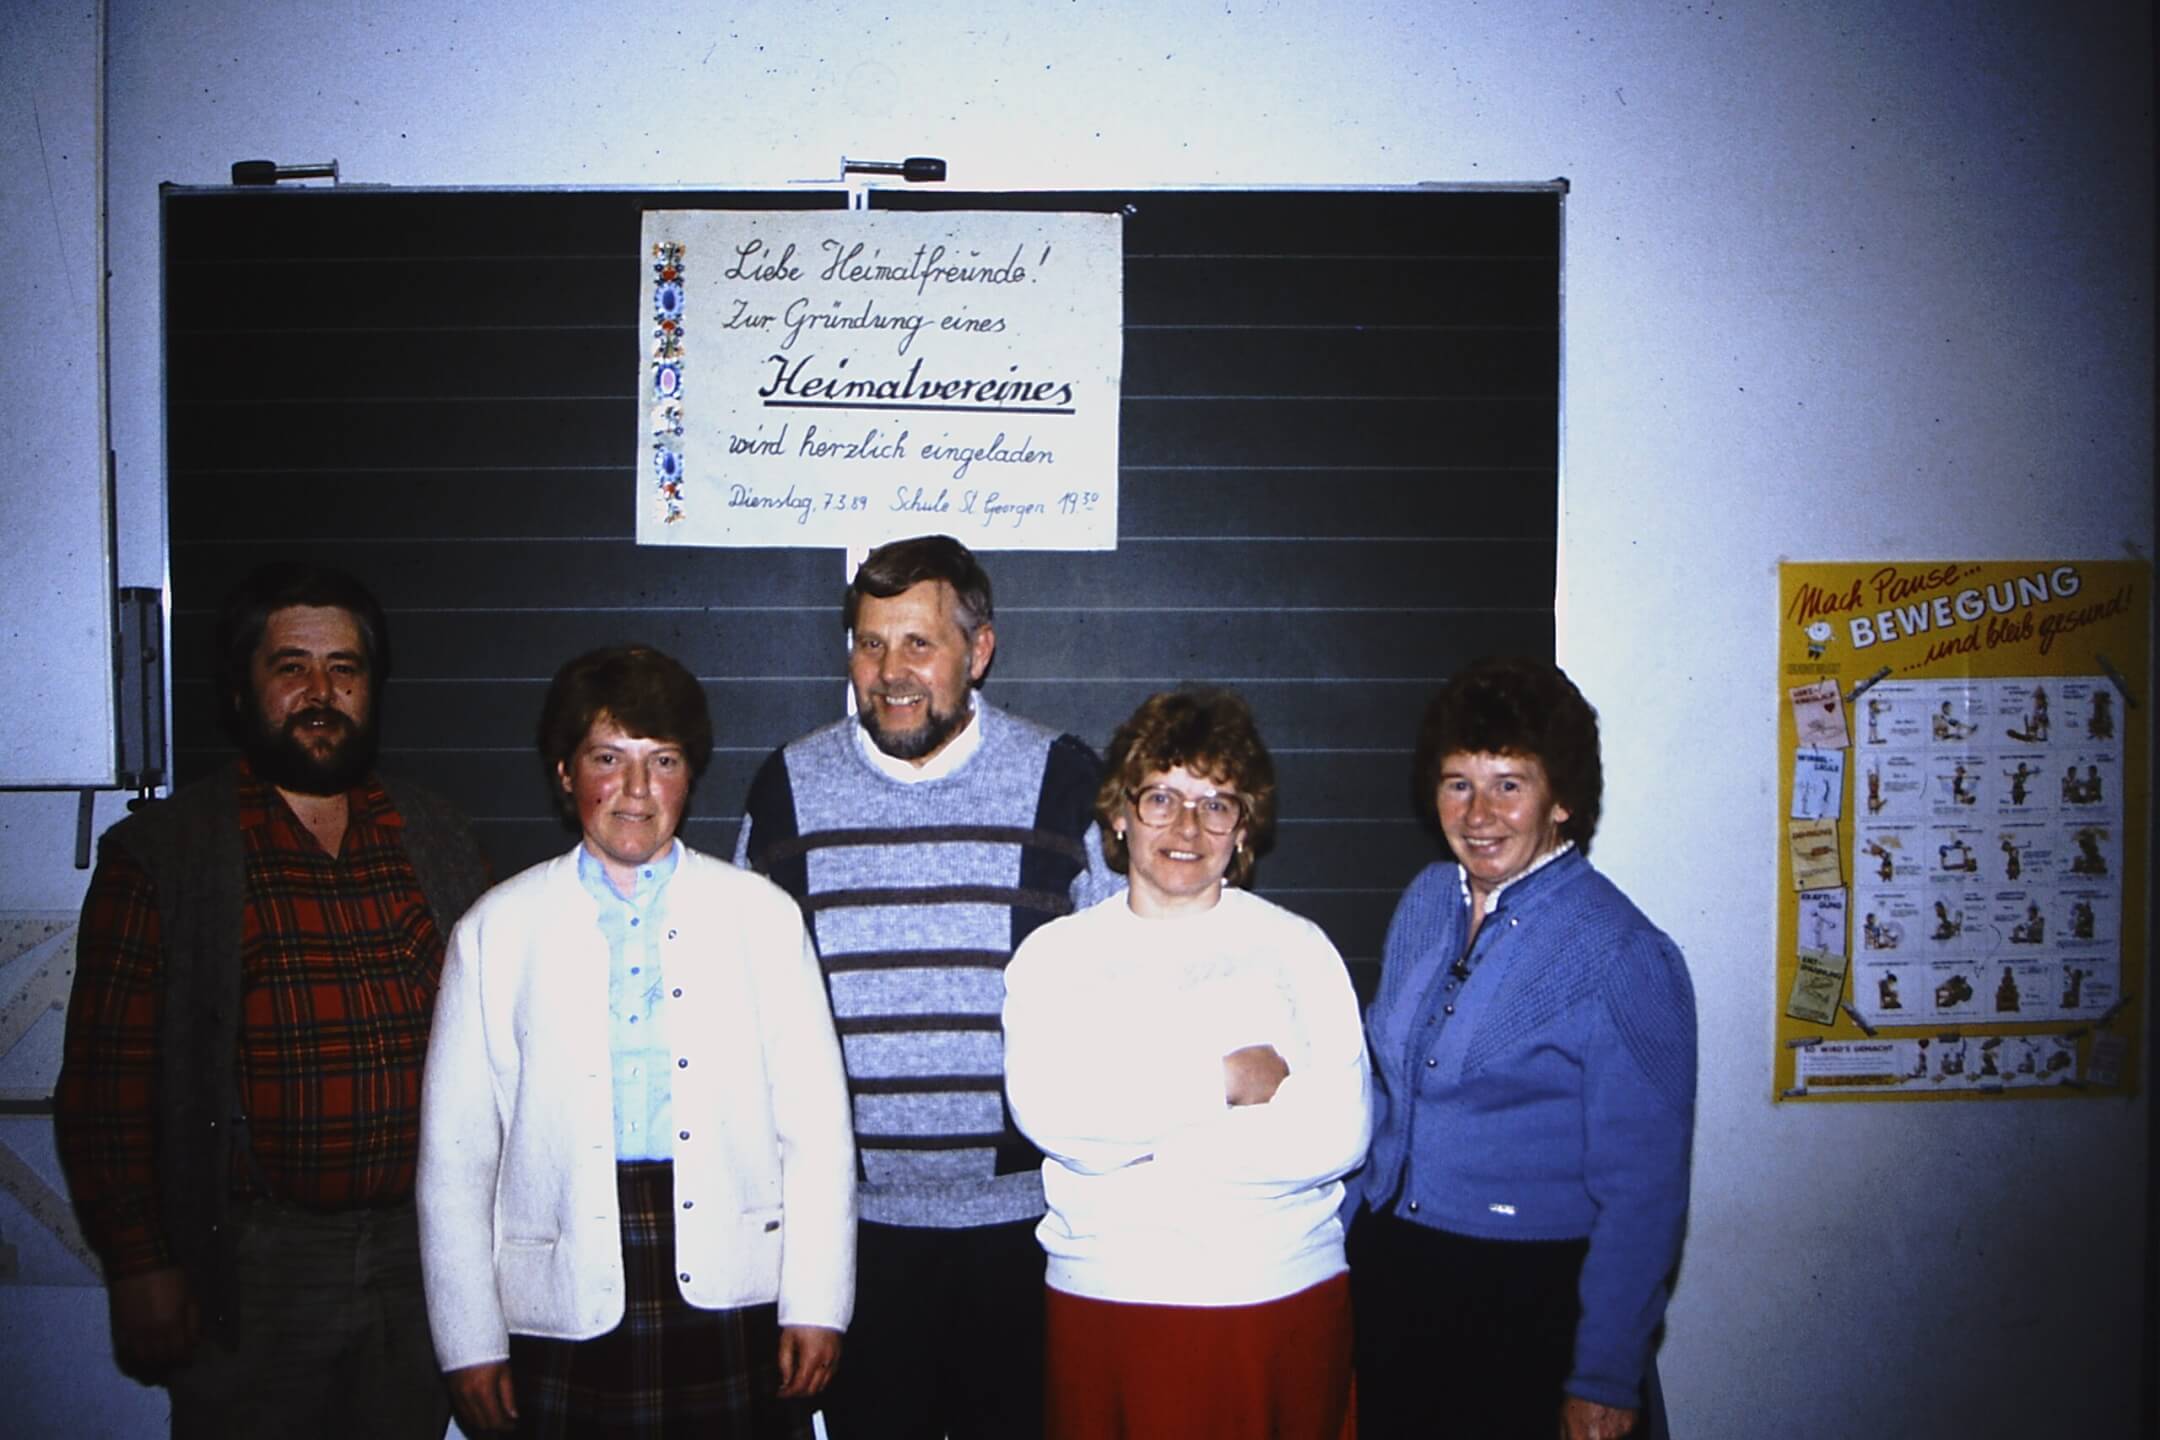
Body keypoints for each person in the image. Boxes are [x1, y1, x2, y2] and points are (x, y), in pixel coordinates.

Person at [55, 562, 492, 1437]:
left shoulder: (437, 836)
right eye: (291, 667)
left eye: (345, 669)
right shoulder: (165, 854)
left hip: (420, 1256)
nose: (321, 694)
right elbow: (107, 1087)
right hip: (257, 1263)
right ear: (240, 690)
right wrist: (139, 1264)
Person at [735, 533, 1121, 1440]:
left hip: (1031, 1235)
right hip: (852, 1238)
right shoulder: (787, 789)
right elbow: (742, 1022)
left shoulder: (1067, 782)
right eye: (871, 644)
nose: (891, 672)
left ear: (977, 651)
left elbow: (1126, 995)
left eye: (920, 643)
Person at [417, 645, 856, 1438]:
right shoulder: (495, 931)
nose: (636, 789)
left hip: (732, 1286)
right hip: (560, 1295)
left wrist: (818, 1303)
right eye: (607, 758)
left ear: (691, 776)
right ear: (564, 773)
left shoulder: (762, 918)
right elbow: (456, 1160)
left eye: (664, 760)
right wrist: (467, 1341)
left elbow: (817, 1134)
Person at [1003, 689, 1371, 1439]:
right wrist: (1226, 1082)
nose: (1187, 827)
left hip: (1276, 1301)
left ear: (1244, 828)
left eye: (1216, 804)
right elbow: (1055, 1120)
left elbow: (1337, 1137)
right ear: (1120, 814)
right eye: (1161, 798)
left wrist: (1134, 1137)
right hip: (1108, 1306)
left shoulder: (1298, 950)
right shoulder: (1056, 957)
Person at [1348, 657, 1696, 1440]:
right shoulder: (1426, 901)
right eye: (1458, 783)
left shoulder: (1625, 954)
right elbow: (1386, 1097)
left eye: (1509, 783)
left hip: (1528, 1303)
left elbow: (1644, 1194)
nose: (1479, 813)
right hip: (1399, 1282)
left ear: (1561, 797)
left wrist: (1605, 1376)